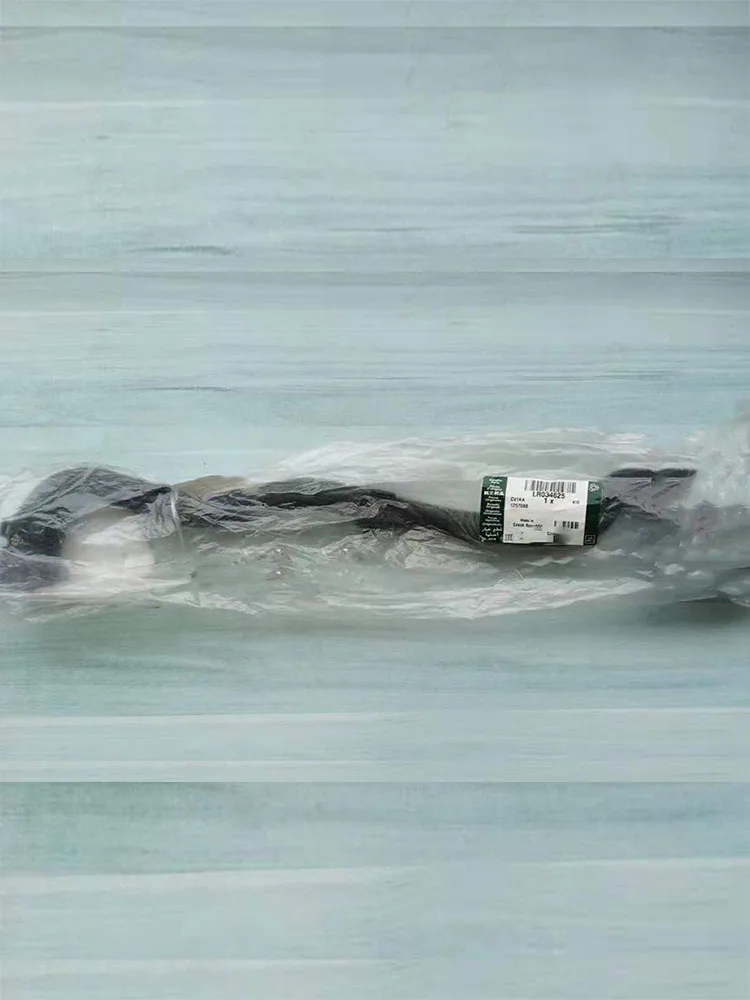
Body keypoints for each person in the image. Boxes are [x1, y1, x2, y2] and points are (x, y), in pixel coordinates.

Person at [0, 463, 697, 592]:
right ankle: (606, 509)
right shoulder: (50, 504)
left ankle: (607, 513)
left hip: (261, 517)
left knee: (409, 515)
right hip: (261, 514)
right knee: (407, 512)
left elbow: (116, 501)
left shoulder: (40, 527)